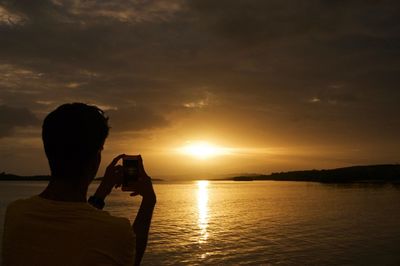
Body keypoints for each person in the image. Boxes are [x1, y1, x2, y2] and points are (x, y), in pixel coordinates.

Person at [2, 103, 156, 266]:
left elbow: (70, 232)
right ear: (96, 158)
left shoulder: (15, 215)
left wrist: (102, 191)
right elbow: (131, 260)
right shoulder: (116, 232)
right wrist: (149, 200)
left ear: (48, 151)